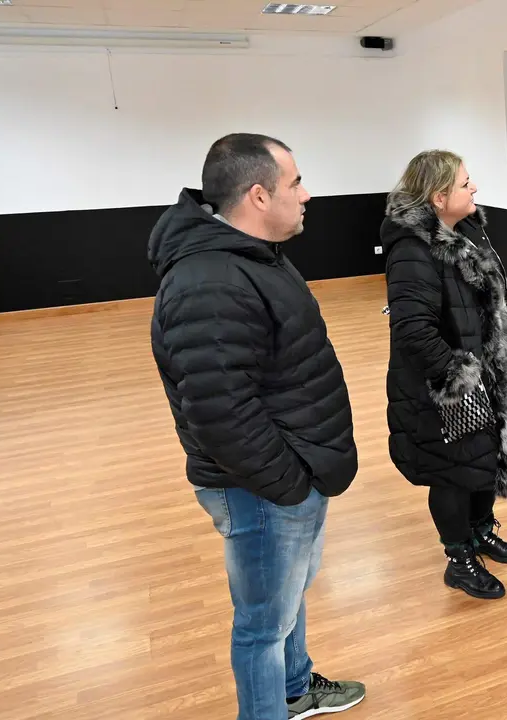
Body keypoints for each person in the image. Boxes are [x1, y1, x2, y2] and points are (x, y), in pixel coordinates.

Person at [149, 133, 365, 719]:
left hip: (289, 475)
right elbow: (221, 412)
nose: (307, 194)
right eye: (295, 183)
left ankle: (294, 688)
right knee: (262, 626)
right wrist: (289, 484)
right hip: (261, 488)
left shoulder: (252, 258)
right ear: (258, 195)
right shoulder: (210, 282)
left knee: (284, 601)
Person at [382, 149, 507, 601]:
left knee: (483, 459)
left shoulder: (468, 230)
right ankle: (459, 557)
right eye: (465, 182)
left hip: (485, 375)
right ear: (438, 197)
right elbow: (414, 329)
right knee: (452, 472)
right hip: (447, 388)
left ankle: (479, 531)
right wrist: (461, 380)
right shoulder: (412, 249)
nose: (474, 188)